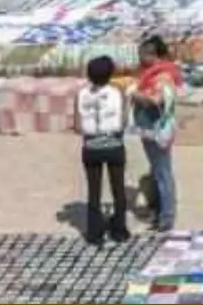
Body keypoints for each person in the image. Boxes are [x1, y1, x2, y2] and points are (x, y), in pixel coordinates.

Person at [75, 54, 132, 245]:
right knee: (118, 189)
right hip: (114, 145)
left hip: (91, 147)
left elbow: (77, 125)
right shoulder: (118, 92)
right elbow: (123, 122)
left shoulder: (81, 94)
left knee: (94, 191)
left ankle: (94, 233)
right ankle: (119, 230)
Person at [132, 35, 182, 232]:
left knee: (163, 172)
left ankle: (166, 217)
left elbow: (156, 100)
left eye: (142, 55)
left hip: (156, 129)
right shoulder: (158, 73)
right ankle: (160, 209)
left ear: (151, 55)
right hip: (152, 128)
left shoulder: (162, 76)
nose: (140, 59)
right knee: (158, 170)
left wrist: (135, 95)